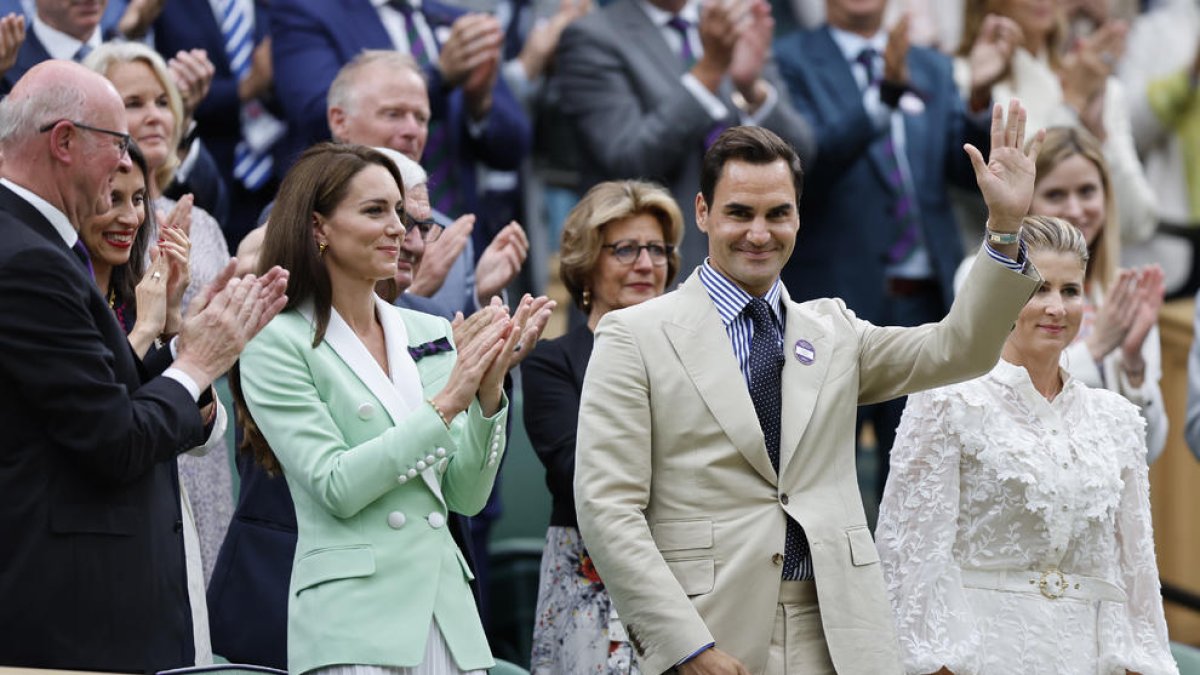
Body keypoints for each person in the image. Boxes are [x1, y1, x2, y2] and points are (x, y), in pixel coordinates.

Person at [575, 102, 1042, 675]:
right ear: (702, 212)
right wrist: (684, 646)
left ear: (799, 217)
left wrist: (1004, 230)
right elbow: (607, 507)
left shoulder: (835, 331)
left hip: (841, 632)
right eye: (739, 213)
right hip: (709, 630)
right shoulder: (633, 335)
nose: (758, 233)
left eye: (777, 214)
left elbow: (960, 349)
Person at [0, 59, 286, 673]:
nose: (124, 175)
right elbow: (112, 439)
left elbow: (98, 400)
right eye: (117, 145)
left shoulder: (35, 246)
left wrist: (179, 343)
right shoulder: (27, 258)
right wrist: (196, 361)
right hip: (68, 618)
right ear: (65, 142)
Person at [236, 143, 551, 674]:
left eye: (400, 214)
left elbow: (465, 499)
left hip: (445, 615)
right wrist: (451, 400)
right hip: (353, 625)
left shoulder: (427, 331)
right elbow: (335, 485)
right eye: (375, 211)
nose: (398, 230)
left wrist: (488, 393)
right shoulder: (275, 340)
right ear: (319, 227)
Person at [876, 216, 1177, 674]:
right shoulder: (946, 399)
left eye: (1070, 290)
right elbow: (909, 559)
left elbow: (1134, 573)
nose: (1056, 306)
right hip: (980, 655)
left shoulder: (1117, 421)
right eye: (1037, 289)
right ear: (1002, 297)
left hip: (1085, 658)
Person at [773, 0, 1011, 499]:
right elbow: (801, 167)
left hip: (927, 302)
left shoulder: (931, 64)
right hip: (834, 300)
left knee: (921, 476)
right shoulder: (790, 59)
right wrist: (882, 98)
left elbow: (959, 172)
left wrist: (978, 97)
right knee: (820, 480)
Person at [86, 40, 236, 582]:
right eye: (133, 102)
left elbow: (210, 355)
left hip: (198, 442)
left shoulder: (205, 223)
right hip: (126, 454)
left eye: (161, 100)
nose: (152, 115)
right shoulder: (75, 233)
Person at [523, 179, 684, 674]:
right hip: (591, 588)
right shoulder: (553, 363)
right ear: (588, 263)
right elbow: (580, 476)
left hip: (690, 578)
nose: (646, 263)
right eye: (626, 249)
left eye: (657, 249)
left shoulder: (694, 358)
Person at [80, 141, 227, 665]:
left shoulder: (138, 291)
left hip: (163, 531)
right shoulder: (55, 293)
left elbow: (205, 434)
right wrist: (145, 328)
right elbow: (103, 413)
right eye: (111, 197)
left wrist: (172, 324)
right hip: (90, 540)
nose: (128, 215)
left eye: (138, 198)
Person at [553, 0, 817, 272]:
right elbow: (629, 157)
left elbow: (800, 156)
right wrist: (710, 71)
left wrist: (751, 90)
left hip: (747, 265)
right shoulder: (592, 36)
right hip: (647, 270)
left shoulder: (735, 22)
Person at [269, 0, 531, 248]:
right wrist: (440, 78)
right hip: (348, 238)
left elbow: (514, 147)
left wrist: (479, 101)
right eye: (393, 114)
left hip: (456, 236)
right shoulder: (307, 11)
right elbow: (317, 113)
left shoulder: (456, 23)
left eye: (420, 118)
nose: (412, 131)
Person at [955, 0, 1158, 248]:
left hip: (1093, 273)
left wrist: (1101, 136)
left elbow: (1138, 222)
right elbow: (1029, 206)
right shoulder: (968, 81)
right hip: (1011, 271)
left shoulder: (1095, 82)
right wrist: (1071, 105)